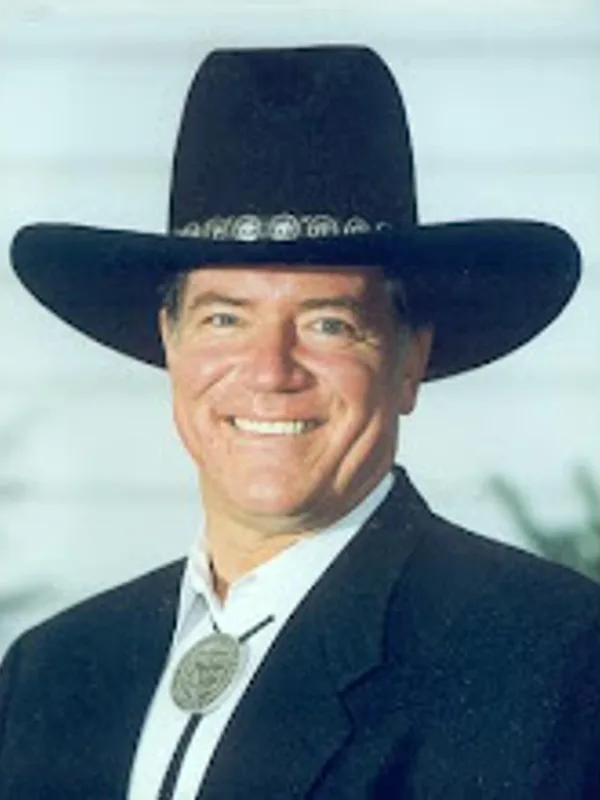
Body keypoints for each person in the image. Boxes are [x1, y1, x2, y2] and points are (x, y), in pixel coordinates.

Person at [1, 45, 599, 799]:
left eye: (327, 325)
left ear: (409, 360)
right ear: (170, 342)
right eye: (225, 318)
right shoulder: (52, 673)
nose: (271, 370)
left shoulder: (551, 659)